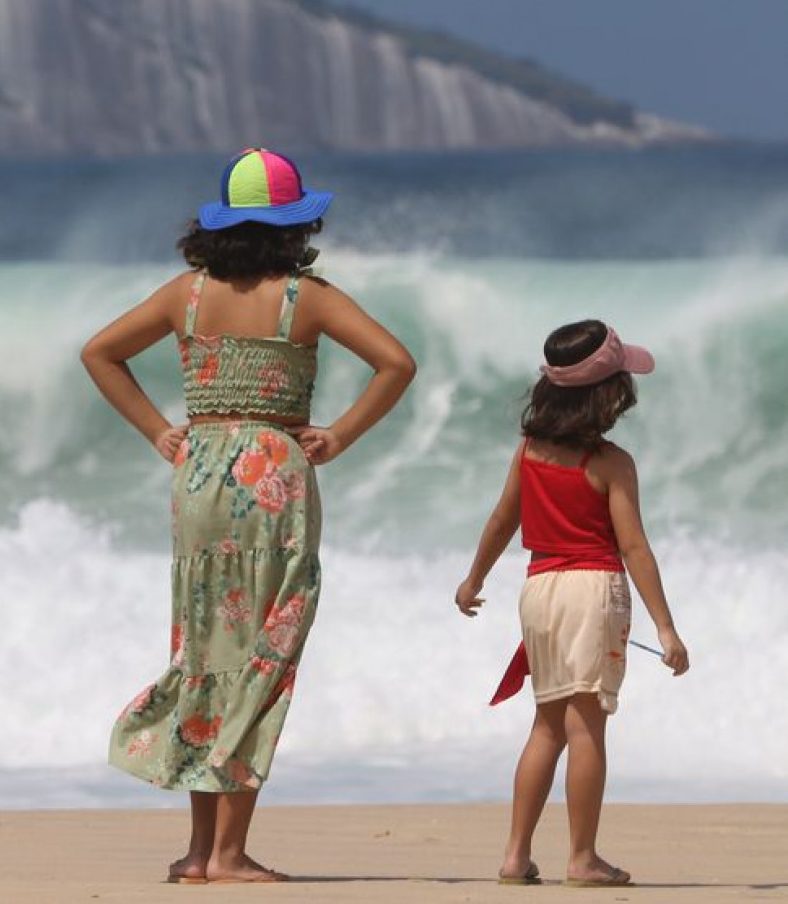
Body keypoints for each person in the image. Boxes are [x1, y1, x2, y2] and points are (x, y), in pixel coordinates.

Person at [82, 148, 415, 885]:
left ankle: (201, 852)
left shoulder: (186, 295)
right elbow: (396, 363)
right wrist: (339, 433)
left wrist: (155, 430)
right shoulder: (308, 297)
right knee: (264, 657)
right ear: (295, 226)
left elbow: (100, 353)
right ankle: (227, 854)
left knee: (207, 653)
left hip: (197, 472)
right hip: (273, 476)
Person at [454, 320, 689, 888]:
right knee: (587, 731)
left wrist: (472, 579)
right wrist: (666, 628)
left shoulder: (530, 451)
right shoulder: (611, 464)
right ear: (608, 396)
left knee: (546, 727)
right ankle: (582, 858)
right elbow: (633, 547)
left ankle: (515, 856)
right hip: (592, 591)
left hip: (538, 592)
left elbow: (502, 519)